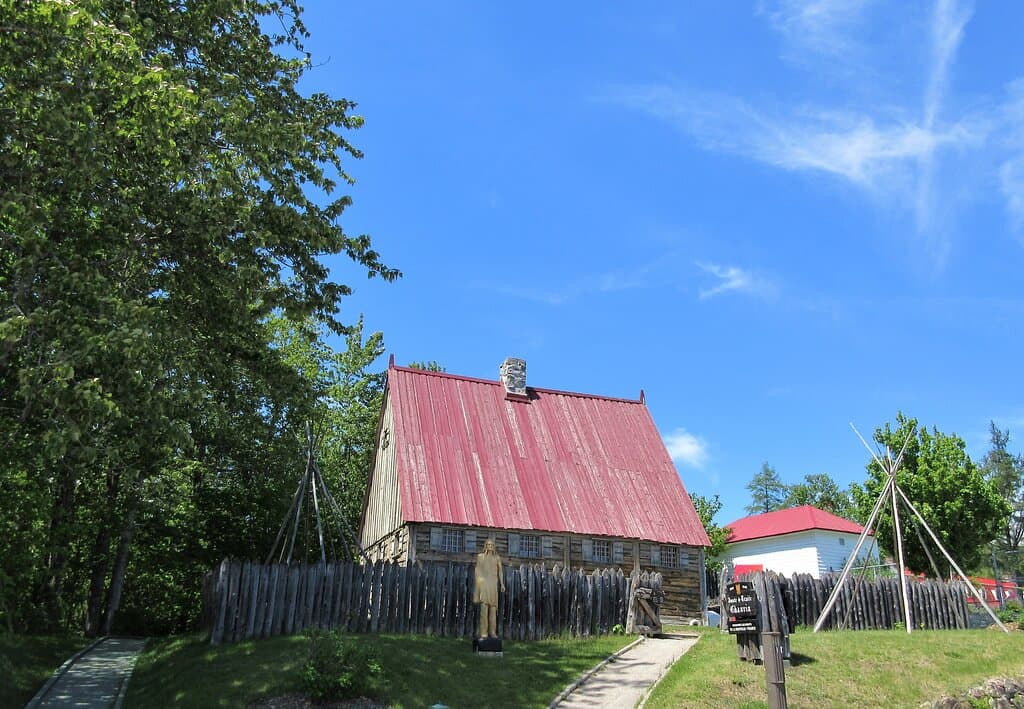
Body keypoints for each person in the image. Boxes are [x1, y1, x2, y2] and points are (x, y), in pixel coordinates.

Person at [473, 537, 505, 637]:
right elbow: (477, 570)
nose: (490, 546)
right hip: (484, 584)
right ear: (485, 546)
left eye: (491, 545)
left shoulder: (497, 558)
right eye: (488, 545)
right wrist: (479, 582)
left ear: (494, 546)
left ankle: (492, 632)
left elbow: (500, 571)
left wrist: (502, 583)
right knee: (484, 609)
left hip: (493, 585)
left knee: (493, 610)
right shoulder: (480, 557)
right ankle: (484, 633)